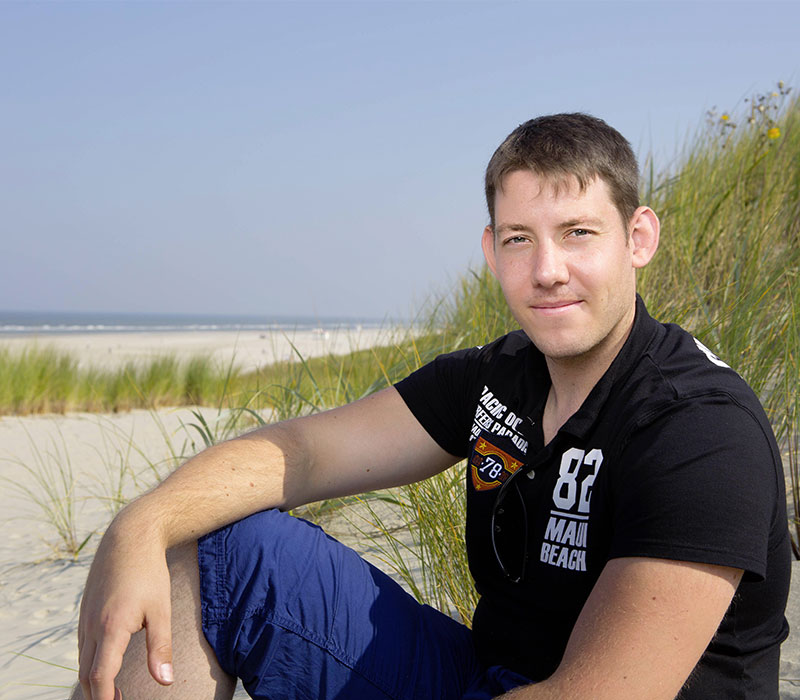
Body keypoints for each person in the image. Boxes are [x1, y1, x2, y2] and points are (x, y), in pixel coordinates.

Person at [74, 113, 790, 700]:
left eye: (578, 233)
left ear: (638, 239)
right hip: (485, 680)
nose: (547, 270)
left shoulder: (699, 429)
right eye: (520, 240)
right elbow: (307, 451)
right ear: (491, 250)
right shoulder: (497, 378)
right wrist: (140, 524)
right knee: (211, 548)